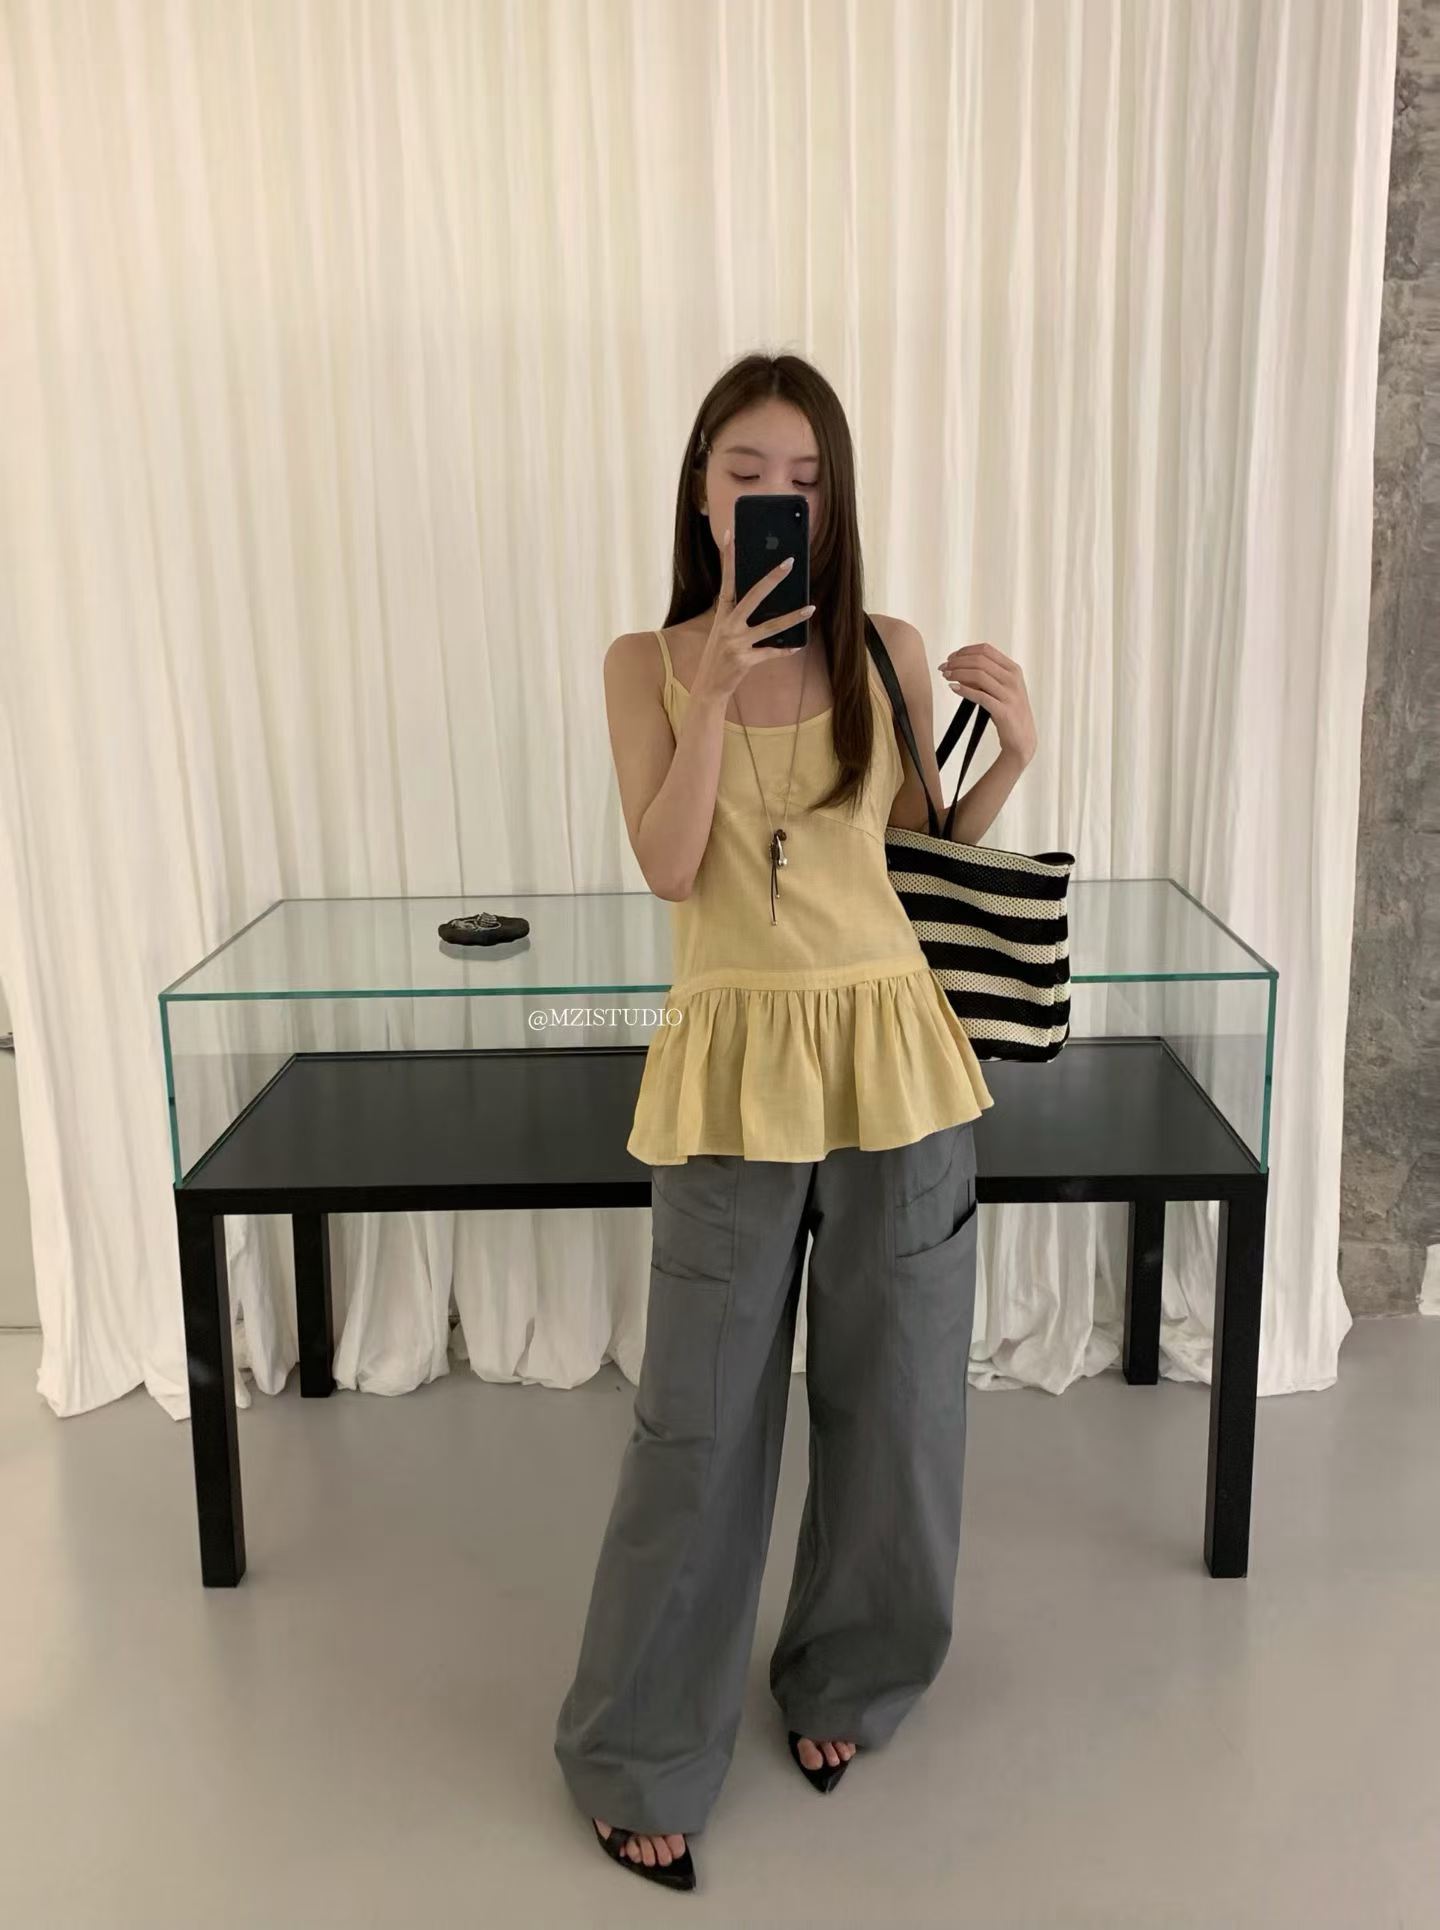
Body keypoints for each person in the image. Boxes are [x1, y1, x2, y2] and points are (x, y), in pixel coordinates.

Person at [554, 351, 1037, 1892]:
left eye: (807, 482)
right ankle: (642, 1747)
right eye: (749, 474)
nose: (778, 501)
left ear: (837, 504)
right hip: (731, 1069)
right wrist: (708, 696)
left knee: (901, 1396)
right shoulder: (644, 661)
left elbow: (916, 855)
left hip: (898, 1056)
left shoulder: (886, 649)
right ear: (701, 490)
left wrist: (1013, 758)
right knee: (696, 1421)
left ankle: (850, 1672)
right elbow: (670, 863)